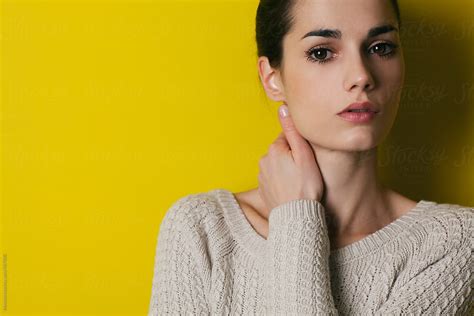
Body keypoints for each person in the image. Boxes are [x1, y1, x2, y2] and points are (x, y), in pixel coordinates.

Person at [148, 0, 473, 314]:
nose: (361, 76)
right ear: (271, 77)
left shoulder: (454, 241)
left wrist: (294, 217)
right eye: (322, 52)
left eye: (380, 47)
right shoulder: (202, 229)